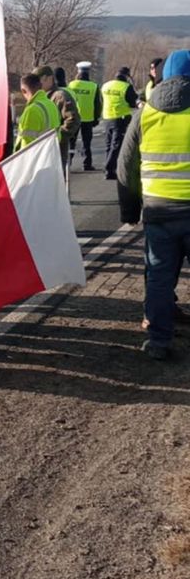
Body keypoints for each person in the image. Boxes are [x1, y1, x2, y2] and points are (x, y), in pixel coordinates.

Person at [117, 50, 190, 360]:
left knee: (158, 277)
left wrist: (130, 210)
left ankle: (158, 341)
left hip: (158, 210)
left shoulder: (145, 114)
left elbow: (126, 166)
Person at [34, 65, 80, 171]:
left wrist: (55, 137)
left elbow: (73, 120)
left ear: (47, 78)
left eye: (38, 81)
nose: (36, 85)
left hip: (56, 150)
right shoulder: (40, 96)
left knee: (55, 183)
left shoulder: (60, 96)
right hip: (40, 151)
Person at [102, 66, 139, 180]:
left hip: (107, 117)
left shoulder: (106, 85)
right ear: (127, 76)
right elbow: (133, 103)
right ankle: (109, 168)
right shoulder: (126, 87)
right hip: (120, 118)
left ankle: (110, 170)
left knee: (109, 145)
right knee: (116, 145)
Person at [68, 62, 101, 171]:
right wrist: (96, 118)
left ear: (78, 72)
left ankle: (68, 164)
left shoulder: (71, 85)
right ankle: (87, 164)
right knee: (86, 142)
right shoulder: (94, 86)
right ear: (88, 73)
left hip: (73, 117)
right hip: (88, 118)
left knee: (71, 142)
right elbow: (97, 104)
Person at [15, 73, 61, 150]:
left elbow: (26, 143)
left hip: (36, 158)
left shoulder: (32, 110)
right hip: (51, 153)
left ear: (23, 90)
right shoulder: (51, 105)